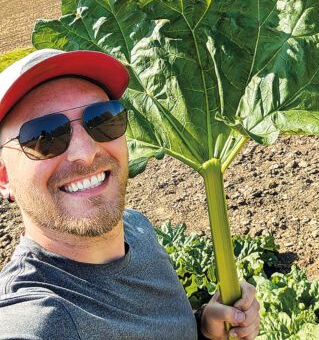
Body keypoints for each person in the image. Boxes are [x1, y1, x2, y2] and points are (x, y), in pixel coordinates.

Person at [0, 49, 260, 340]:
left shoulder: (137, 228)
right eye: (44, 135)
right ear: (4, 176)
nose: (85, 153)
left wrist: (203, 329)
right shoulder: (37, 320)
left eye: (101, 119)